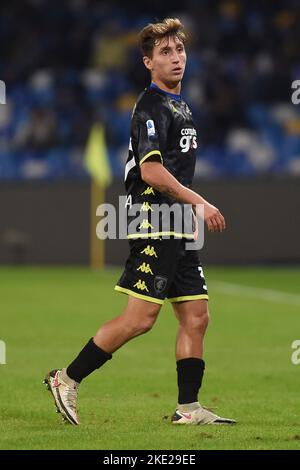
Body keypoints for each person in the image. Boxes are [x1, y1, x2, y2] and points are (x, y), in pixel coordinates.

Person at [44, 18, 236, 426]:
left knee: (196, 315)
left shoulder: (180, 104)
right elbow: (151, 173)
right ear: (148, 62)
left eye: (179, 49)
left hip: (178, 224)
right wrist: (199, 201)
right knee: (140, 319)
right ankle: (66, 379)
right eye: (165, 52)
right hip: (155, 219)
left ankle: (189, 408)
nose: (176, 57)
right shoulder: (150, 105)